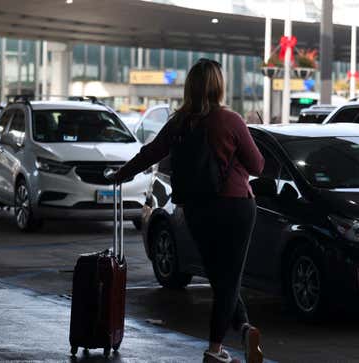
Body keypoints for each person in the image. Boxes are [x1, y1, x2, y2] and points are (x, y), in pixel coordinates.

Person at [111, 59, 265, 363]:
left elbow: (152, 151)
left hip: (195, 208)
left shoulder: (180, 122)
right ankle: (215, 348)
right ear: (219, 86)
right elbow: (258, 165)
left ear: (190, 86)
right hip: (235, 206)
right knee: (229, 278)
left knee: (220, 276)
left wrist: (121, 174)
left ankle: (245, 329)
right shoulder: (231, 120)